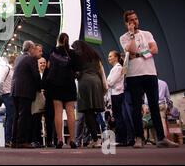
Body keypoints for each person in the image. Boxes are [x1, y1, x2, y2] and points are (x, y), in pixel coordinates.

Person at [119, 10, 178, 148]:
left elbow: (155, 49)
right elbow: (131, 50)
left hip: (150, 73)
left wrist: (140, 54)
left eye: (136, 19)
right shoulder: (124, 37)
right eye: (131, 20)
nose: (135, 22)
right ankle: (139, 137)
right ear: (127, 23)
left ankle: (161, 138)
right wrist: (132, 34)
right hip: (134, 75)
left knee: (154, 106)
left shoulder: (147, 34)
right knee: (136, 108)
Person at [71, 40, 106, 148]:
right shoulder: (94, 55)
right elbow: (101, 70)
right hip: (97, 82)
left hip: (85, 83)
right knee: (93, 113)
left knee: (87, 112)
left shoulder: (77, 56)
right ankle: (95, 138)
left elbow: (76, 72)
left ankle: (96, 139)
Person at [45, 33, 77, 149]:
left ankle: (59, 140)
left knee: (58, 112)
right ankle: (72, 140)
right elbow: (76, 69)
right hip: (69, 84)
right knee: (70, 112)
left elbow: (48, 66)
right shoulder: (72, 53)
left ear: (58, 40)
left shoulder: (54, 51)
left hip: (56, 84)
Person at [11, 41, 43, 148]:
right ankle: (21, 141)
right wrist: (40, 88)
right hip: (25, 91)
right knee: (24, 117)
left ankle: (14, 141)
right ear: (30, 49)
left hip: (15, 90)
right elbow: (36, 75)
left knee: (16, 116)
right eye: (34, 48)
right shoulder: (31, 59)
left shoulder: (18, 58)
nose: (35, 50)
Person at [107, 50, 128, 146]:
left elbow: (110, 83)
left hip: (117, 94)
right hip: (115, 94)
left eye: (111, 56)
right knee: (117, 117)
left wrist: (106, 83)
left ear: (116, 57)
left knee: (119, 117)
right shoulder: (115, 69)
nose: (109, 58)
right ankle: (121, 138)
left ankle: (121, 139)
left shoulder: (117, 68)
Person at [0, 55, 16, 147]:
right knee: (11, 116)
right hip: (7, 95)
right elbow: (0, 82)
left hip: (11, 95)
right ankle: (8, 139)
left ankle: (9, 139)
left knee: (10, 117)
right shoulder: (6, 69)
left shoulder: (13, 71)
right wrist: (2, 92)